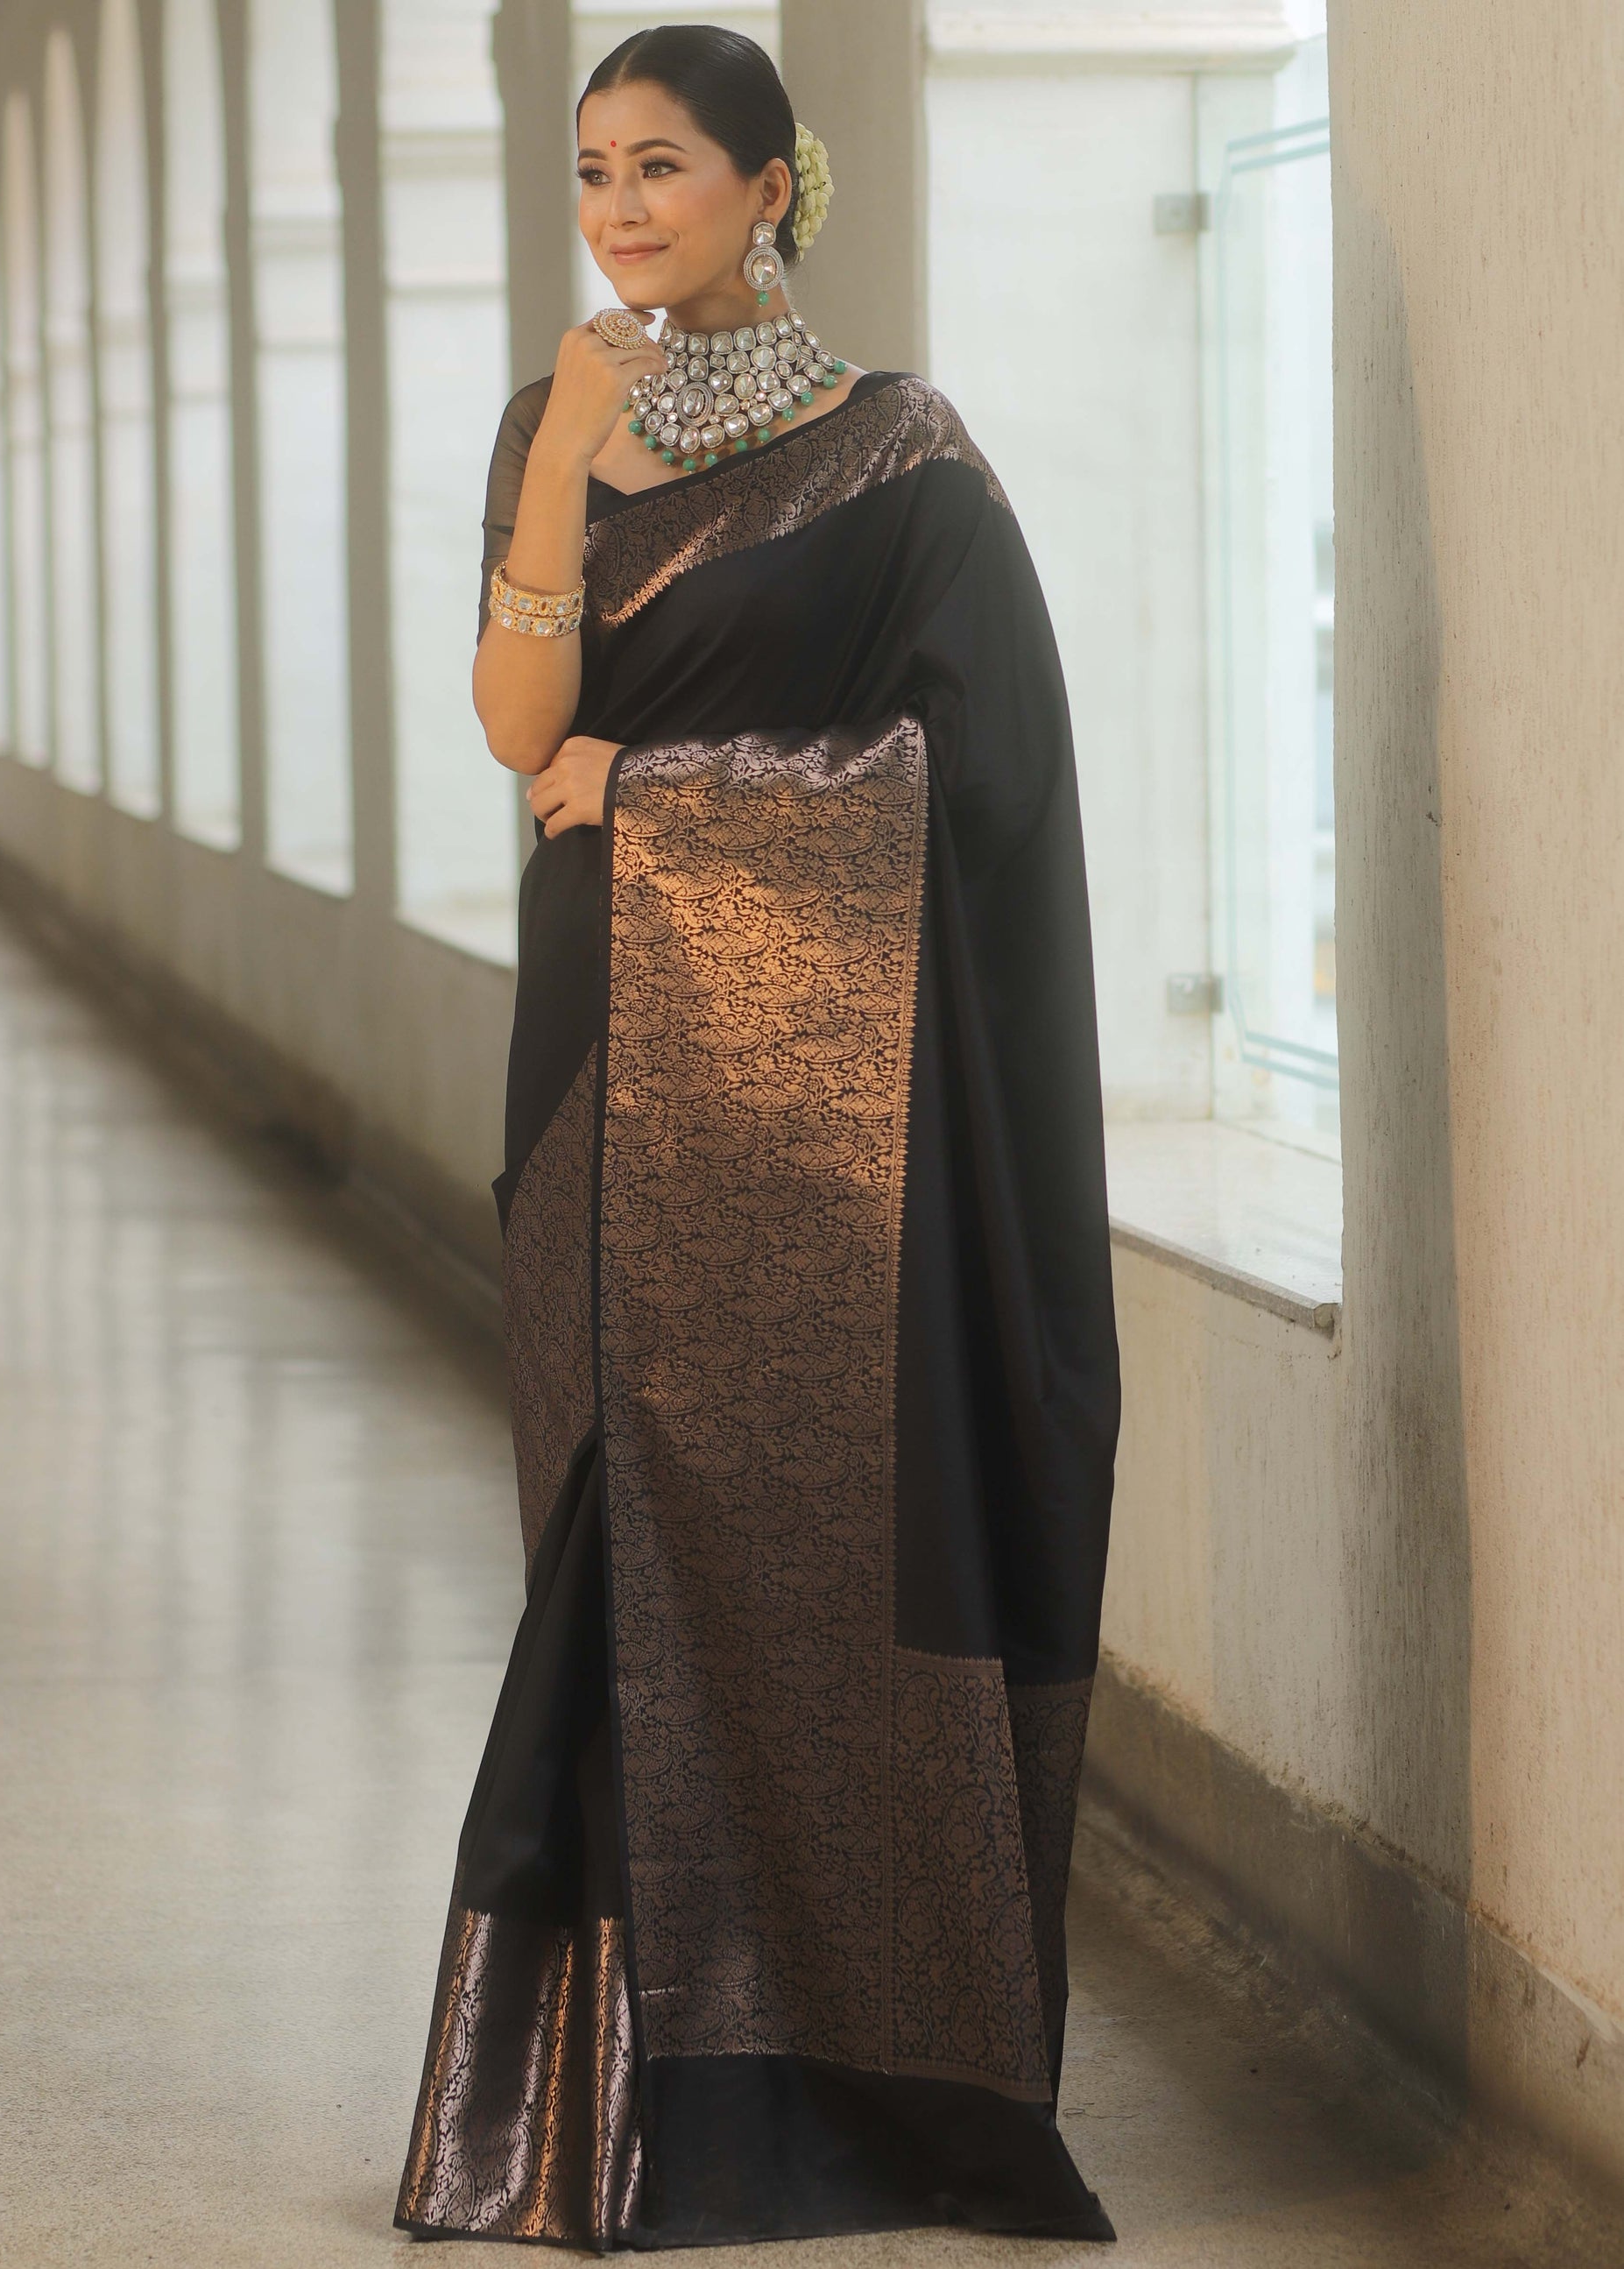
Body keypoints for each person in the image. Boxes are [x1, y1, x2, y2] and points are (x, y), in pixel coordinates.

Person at [395, 23, 1120, 2251]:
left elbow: (980, 789)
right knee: (624, 1521)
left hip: (844, 1103)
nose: (619, 210)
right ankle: (608, 2091)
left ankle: (868, 2073)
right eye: (590, 170)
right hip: (610, 1063)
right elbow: (523, 722)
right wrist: (563, 466)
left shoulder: (903, 452)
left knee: (840, 1534)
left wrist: (678, 796)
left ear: (771, 183)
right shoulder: (563, 415)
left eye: (665, 169)